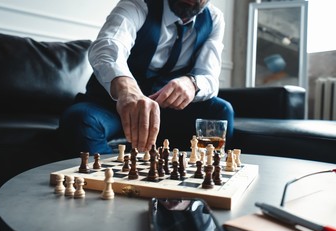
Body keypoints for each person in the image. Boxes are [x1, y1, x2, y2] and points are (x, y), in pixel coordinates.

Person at [58, 0, 234, 155]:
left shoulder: (214, 18)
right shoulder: (139, 4)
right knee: (79, 120)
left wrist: (192, 83)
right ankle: (112, 182)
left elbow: (209, 76)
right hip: (111, 107)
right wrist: (126, 89)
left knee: (220, 111)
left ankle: (194, 177)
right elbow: (107, 46)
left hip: (168, 110)